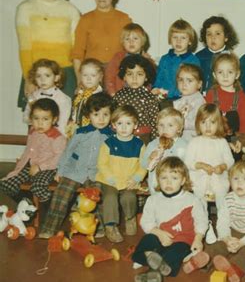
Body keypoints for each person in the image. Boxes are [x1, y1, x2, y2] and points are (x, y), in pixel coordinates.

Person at [38, 93, 114, 239]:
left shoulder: (111, 137)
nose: (101, 118)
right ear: (88, 115)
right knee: (61, 195)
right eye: (96, 114)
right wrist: (60, 170)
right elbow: (68, 152)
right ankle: (49, 228)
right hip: (74, 171)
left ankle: (96, 228)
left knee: (95, 197)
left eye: (105, 114)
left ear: (111, 115)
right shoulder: (80, 132)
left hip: (96, 173)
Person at [132, 157, 208, 282]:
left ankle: (153, 271)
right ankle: (152, 261)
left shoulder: (192, 200)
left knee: (176, 251)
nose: (168, 182)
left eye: (174, 178)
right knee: (148, 239)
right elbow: (146, 221)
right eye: (164, 178)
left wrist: (198, 239)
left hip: (182, 240)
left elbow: (201, 221)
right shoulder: (153, 199)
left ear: (183, 180)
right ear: (158, 180)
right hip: (161, 236)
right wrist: (158, 233)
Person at [16, 0, 80, 105]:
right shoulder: (25, 8)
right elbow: (25, 49)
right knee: (37, 123)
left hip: (65, 75)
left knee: (65, 123)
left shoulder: (71, 10)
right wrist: (29, 79)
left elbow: (77, 49)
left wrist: (78, 78)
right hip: (37, 75)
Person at [194, 161, 245, 282]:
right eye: (235, 178)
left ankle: (235, 269)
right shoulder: (228, 198)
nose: (239, 182)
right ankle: (203, 260)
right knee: (218, 245)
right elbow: (222, 221)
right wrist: (226, 238)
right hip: (233, 231)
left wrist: (242, 242)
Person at [95, 105, 147, 243]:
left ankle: (130, 218)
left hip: (129, 180)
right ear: (113, 125)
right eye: (120, 123)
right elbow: (102, 163)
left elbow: (144, 165)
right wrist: (111, 178)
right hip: (109, 180)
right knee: (110, 197)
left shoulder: (139, 145)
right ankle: (110, 226)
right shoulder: (108, 143)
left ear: (135, 125)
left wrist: (136, 178)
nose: (124, 128)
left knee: (129, 196)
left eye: (128, 123)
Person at [0, 98, 67, 203]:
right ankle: (27, 203)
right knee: (6, 184)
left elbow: (60, 158)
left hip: (48, 168)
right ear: (31, 118)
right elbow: (28, 150)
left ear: (54, 120)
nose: (40, 123)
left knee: (38, 187)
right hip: (30, 166)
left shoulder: (57, 138)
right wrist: (20, 164)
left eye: (45, 119)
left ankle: (50, 203)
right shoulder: (32, 132)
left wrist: (40, 167)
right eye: (36, 118)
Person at [71, 0, 132, 81]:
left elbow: (132, 49)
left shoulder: (124, 19)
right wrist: (80, 80)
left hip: (116, 75)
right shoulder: (85, 20)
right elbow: (77, 55)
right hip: (92, 76)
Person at [184, 104, 234, 210]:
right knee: (199, 203)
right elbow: (187, 161)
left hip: (218, 179)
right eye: (203, 122)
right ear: (198, 124)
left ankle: (223, 223)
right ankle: (202, 224)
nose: (207, 127)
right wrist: (200, 165)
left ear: (219, 124)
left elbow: (230, 160)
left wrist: (222, 167)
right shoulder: (194, 142)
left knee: (222, 201)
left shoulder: (222, 142)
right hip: (199, 179)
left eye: (212, 122)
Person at [113, 54, 160, 143]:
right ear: (124, 76)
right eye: (130, 74)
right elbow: (113, 117)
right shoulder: (119, 96)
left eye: (139, 74)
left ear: (146, 77)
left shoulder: (150, 98)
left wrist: (154, 143)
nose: (134, 78)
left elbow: (155, 123)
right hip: (120, 136)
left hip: (143, 137)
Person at [141, 107, 188, 195]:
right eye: (161, 125)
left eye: (170, 125)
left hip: (178, 186)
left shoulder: (184, 145)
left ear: (179, 128)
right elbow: (143, 164)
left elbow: (188, 166)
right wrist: (150, 158)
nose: (164, 129)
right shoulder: (153, 144)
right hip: (157, 186)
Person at [152, 19, 200, 101]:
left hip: (184, 98)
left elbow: (194, 83)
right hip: (163, 98)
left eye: (183, 38)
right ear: (170, 39)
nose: (178, 41)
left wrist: (173, 93)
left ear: (190, 41)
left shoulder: (193, 61)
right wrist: (155, 88)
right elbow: (159, 78)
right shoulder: (164, 59)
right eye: (175, 37)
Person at [23, 59, 71, 135]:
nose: (42, 79)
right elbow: (26, 118)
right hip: (36, 134)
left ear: (56, 78)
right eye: (38, 76)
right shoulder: (33, 96)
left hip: (54, 137)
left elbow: (62, 125)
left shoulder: (63, 99)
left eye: (47, 75)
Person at [105, 23, 154, 96]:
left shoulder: (147, 60)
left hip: (140, 97)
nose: (131, 42)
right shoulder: (117, 57)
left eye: (135, 38)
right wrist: (113, 93)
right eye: (127, 39)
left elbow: (150, 81)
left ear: (142, 41)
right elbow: (109, 77)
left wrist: (146, 94)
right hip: (119, 95)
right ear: (122, 42)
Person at [205, 52, 245, 134]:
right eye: (220, 72)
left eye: (230, 72)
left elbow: (244, 125)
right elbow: (205, 120)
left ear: (237, 74)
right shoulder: (210, 94)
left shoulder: (242, 97)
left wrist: (241, 141)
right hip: (213, 137)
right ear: (214, 75)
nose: (225, 76)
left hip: (234, 139)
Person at [195, 16, 239, 92]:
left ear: (226, 37)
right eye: (209, 34)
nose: (213, 37)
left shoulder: (229, 58)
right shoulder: (198, 57)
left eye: (217, 34)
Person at [173, 64, 206, 141]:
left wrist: (178, 123)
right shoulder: (179, 101)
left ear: (199, 84)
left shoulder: (199, 101)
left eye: (189, 80)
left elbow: (199, 124)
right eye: (181, 80)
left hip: (193, 138)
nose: (184, 84)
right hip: (179, 138)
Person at [70, 58, 104, 132]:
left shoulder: (101, 97)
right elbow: (74, 110)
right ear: (80, 76)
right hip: (77, 128)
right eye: (85, 75)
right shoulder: (79, 94)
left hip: (93, 131)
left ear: (100, 77)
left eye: (93, 75)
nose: (88, 78)